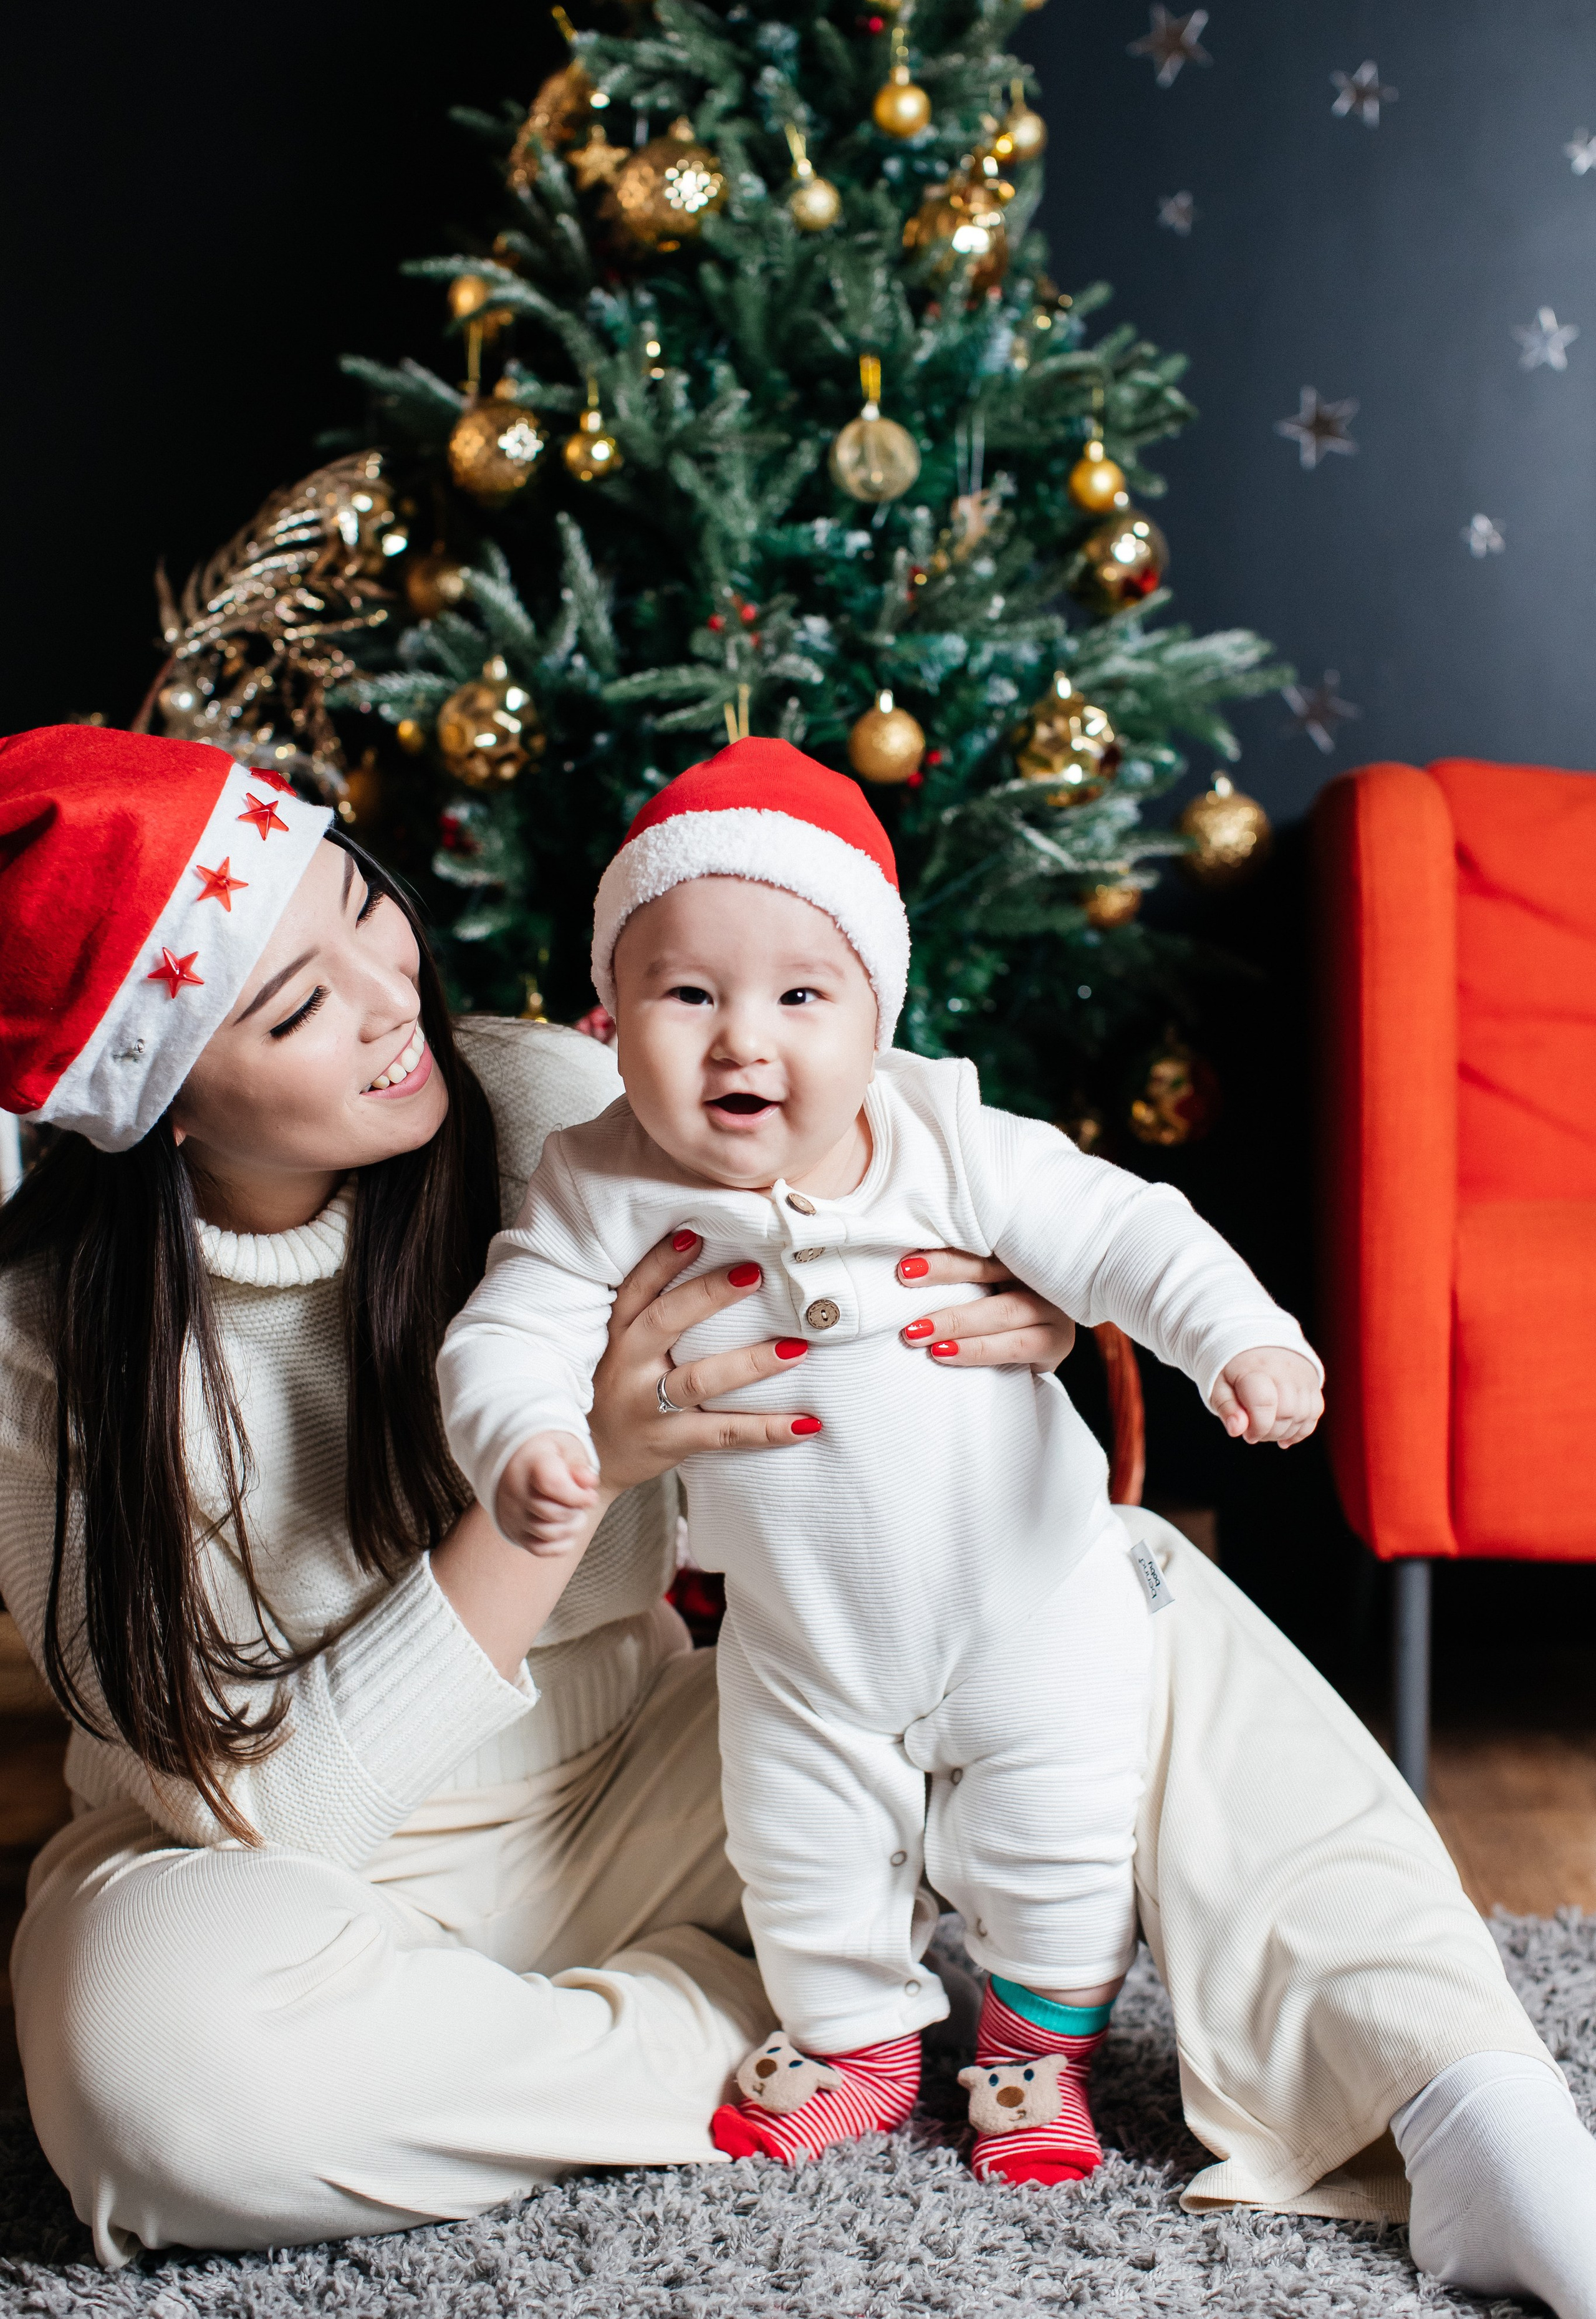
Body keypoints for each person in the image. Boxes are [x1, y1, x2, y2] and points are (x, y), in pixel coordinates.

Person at [0, 728, 1592, 2315]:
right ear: (157, 1102)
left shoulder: (548, 1095)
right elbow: (266, 1813)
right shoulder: (48, 1339)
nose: (385, 995)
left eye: (362, 905)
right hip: (290, 1876)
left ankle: (1451, 2089)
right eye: (295, 1004)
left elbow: (885, 1161)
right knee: (149, 2082)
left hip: (659, 1778)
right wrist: (562, 1495)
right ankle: (772, 2034)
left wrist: (1011, 1304)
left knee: (1108, 1589)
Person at [436, 736, 1324, 2186]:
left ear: (873, 1014)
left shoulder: (946, 1132)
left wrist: (1238, 1339)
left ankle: (1037, 2055)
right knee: (799, 1852)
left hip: (1024, 1602)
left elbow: (1123, 1231)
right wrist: (528, 1436)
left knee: (1058, 1840)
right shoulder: (596, 1175)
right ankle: (856, 2042)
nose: (743, 1040)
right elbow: (508, 1328)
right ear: (609, 1015)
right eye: (686, 994)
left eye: (799, 995)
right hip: (800, 1641)